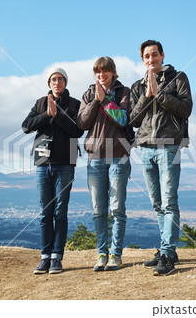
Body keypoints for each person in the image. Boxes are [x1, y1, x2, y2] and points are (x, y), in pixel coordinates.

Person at [130, 40, 193, 276]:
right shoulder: (137, 86)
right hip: (145, 147)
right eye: (146, 56)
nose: (151, 59)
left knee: (169, 202)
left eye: (154, 55)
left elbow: (186, 109)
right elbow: (133, 119)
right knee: (157, 204)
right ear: (142, 60)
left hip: (169, 146)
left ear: (162, 55)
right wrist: (147, 95)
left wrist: (160, 94)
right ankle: (168, 249)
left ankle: (167, 253)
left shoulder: (179, 78)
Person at [22, 67, 83, 274]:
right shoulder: (40, 103)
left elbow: (77, 130)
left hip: (65, 163)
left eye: (60, 79)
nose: (57, 82)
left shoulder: (74, 104)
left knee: (60, 212)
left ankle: (57, 257)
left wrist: (57, 116)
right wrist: (47, 115)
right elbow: (26, 126)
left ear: (65, 82)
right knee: (45, 213)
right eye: (53, 79)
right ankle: (45, 257)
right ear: (49, 83)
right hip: (42, 163)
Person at [77, 57, 132, 271]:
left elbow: (123, 119)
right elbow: (82, 123)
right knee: (99, 210)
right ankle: (102, 253)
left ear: (113, 72)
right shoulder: (88, 94)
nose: (101, 75)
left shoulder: (124, 92)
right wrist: (95, 101)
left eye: (105, 71)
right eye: (98, 72)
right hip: (95, 159)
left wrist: (106, 101)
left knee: (117, 208)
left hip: (119, 157)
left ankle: (115, 255)